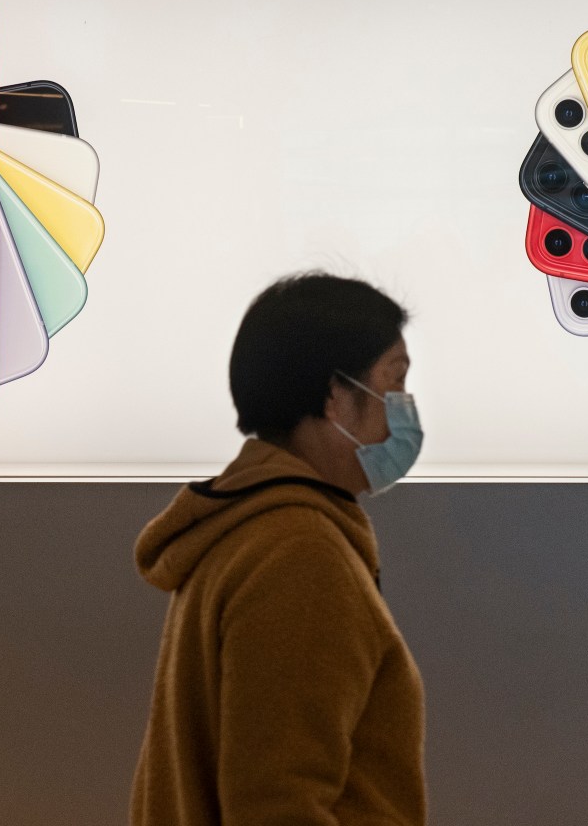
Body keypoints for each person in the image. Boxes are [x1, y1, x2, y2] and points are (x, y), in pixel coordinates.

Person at [130, 272, 427, 826]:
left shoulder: (247, 530)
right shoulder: (300, 556)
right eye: (394, 381)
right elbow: (278, 803)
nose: (403, 407)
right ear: (337, 395)